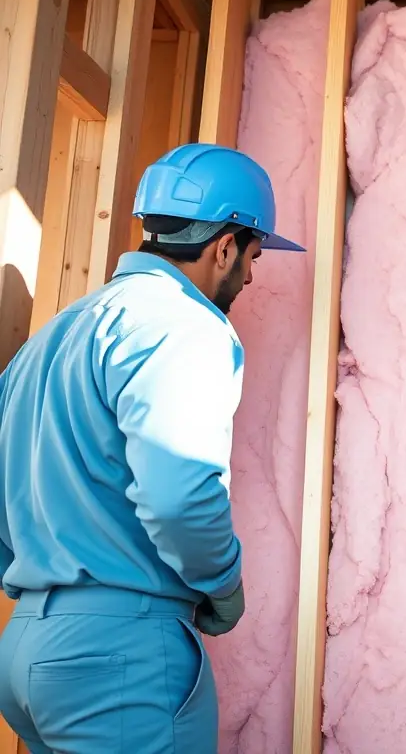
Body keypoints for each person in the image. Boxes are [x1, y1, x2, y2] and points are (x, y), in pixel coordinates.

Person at [0, 143, 304, 753]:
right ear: (225, 245)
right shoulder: (183, 326)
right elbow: (178, 493)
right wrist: (222, 584)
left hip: (28, 648)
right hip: (119, 658)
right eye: (253, 256)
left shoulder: (53, 337)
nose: (249, 275)